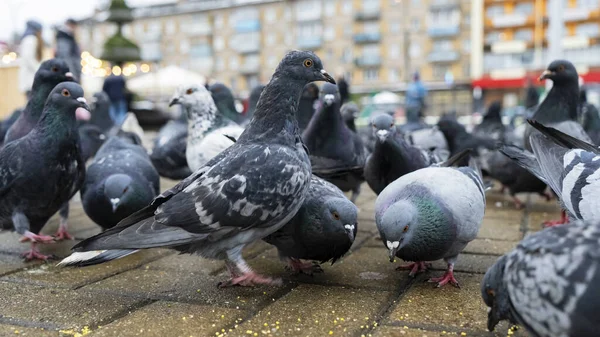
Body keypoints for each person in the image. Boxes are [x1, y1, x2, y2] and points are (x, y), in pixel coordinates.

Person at [18, 20, 43, 99]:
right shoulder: (31, 39)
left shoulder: (27, 39)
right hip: (31, 80)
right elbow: (28, 58)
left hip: (29, 79)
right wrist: (40, 69)